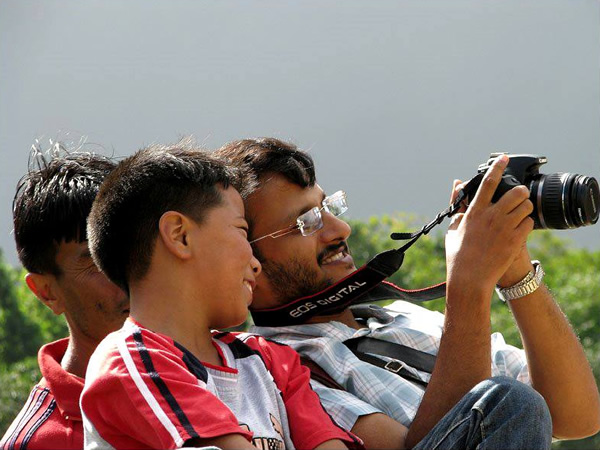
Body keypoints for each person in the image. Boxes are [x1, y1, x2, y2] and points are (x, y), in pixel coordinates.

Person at [215, 137, 600, 449]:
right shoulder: (277, 370)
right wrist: (468, 285)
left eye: (328, 206)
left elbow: (577, 416)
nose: (339, 230)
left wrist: (514, 271)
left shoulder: (407, 317)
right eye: (306, 222)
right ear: (247, 256)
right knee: (513, 402)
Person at [81, 142, 361, 449]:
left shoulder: (269, 360)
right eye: (241, 230)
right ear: (180, 235)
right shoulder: (133, 360)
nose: (255, 262)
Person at [1, 143, 129, 450]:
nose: (128, 274)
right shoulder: (39, 442)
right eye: (97, 260)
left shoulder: (223, 372)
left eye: (130, 247)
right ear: (47, 293)